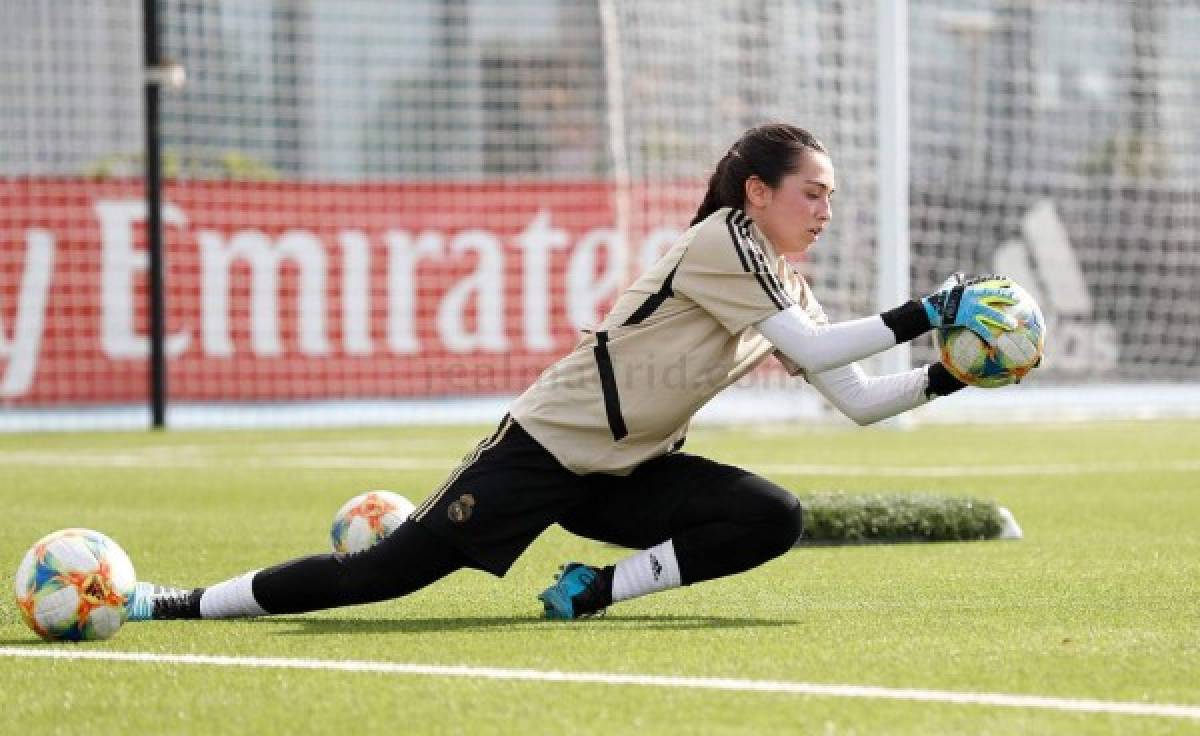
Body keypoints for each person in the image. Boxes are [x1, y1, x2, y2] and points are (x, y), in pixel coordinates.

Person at [126, 123, 1018, 623]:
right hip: (547, 448)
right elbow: (827, 354)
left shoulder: (784, 281)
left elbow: (856, 399)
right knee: (381, 577)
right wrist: (931, 311)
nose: (825, 209)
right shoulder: (724, 242)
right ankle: (172, 603)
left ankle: (596, 589)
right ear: (758, 192)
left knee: (769, 518)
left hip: (628, 474)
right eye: (812, 191)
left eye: (831, 195)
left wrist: (950, 376)